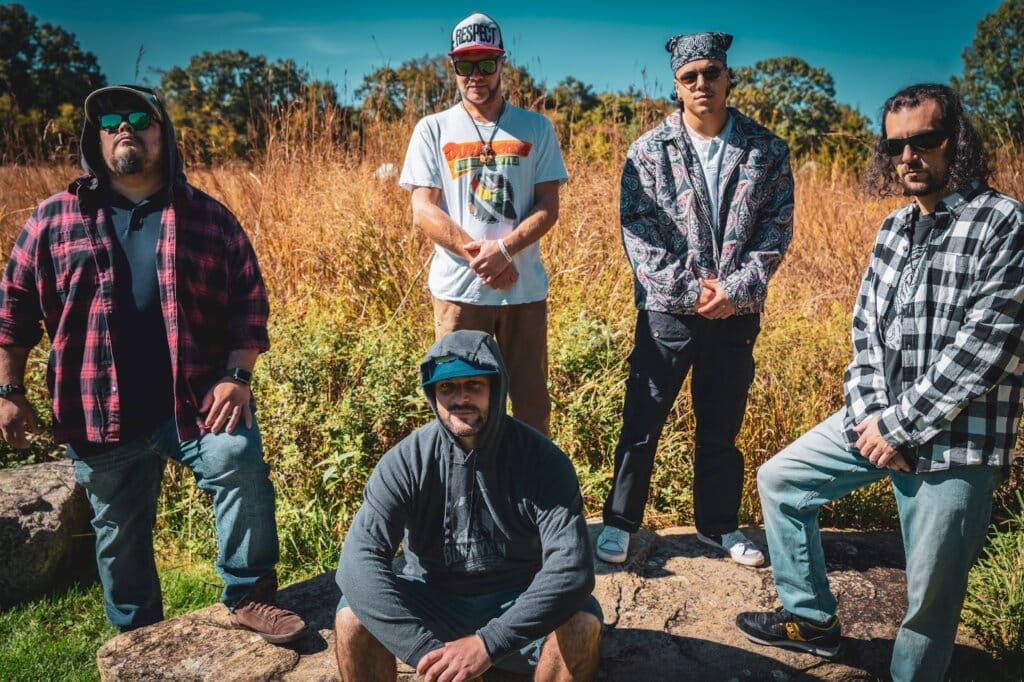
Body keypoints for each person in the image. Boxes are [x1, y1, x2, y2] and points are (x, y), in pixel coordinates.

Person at [736, 84, 1024, 681]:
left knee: (929, 600)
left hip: (958, 443)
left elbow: (988, 346)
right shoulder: (895, 227)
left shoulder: (1003, 222)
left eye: (924, 140)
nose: (908, 156)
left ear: (956, 142)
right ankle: (811, 619)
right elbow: (865, 330)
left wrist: (899, 427)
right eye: (896, 146)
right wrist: (873, 416)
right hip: (878, 422)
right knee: (782, 480)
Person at [0, 85, 305, 643]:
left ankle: (249, 594)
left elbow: (249, 302)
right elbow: (13, 308)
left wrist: (237, 375)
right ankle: (136, 639)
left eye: (140, 118)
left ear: (164, 134)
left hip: (192, 405)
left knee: (238, 460)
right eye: (110, 120)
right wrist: (9, 390)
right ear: (96, 139)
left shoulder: (207, 217)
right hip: (97, 411)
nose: (125, 127)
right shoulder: (54, 217)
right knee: (118, 534)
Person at [596, 32, 794, 566]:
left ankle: (719, 526)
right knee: (642, 420)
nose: (701, 83)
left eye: (711, 73)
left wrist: (736, 289)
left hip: (736, 311)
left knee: (722, 426)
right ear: (677, 85)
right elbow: (637, 232)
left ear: (728, 77)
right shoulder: (648, 151)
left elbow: (776, 228)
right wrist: (690, 291)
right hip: (667, 312)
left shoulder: (767, 149)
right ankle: (619, 522)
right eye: (690, 76)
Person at [334, 330, 602, 682]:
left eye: (474, 385)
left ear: (496, 388)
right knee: (351, 617)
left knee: (582, 624)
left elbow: (571, 570)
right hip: (435, 601)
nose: (460, 398)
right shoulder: (406, 461)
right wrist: (428, 654)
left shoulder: (542, 461)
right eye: (447, 387)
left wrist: (488, 644)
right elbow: (357, 563)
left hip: (518, 600)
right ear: (433, 393)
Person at [399, 11, 567, 437]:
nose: (476, 75)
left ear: (502, 64)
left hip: (523, 291)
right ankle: (465, 480)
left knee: (530, 407)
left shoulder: (535, 127)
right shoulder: (432, 129)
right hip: (460, 292)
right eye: (465, 64)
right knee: (459, 406)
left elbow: (548, 205)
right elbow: (424, 209)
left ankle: (528, 481)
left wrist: (506, 250)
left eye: (487, 63)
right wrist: (482, 258)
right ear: (453, 66)